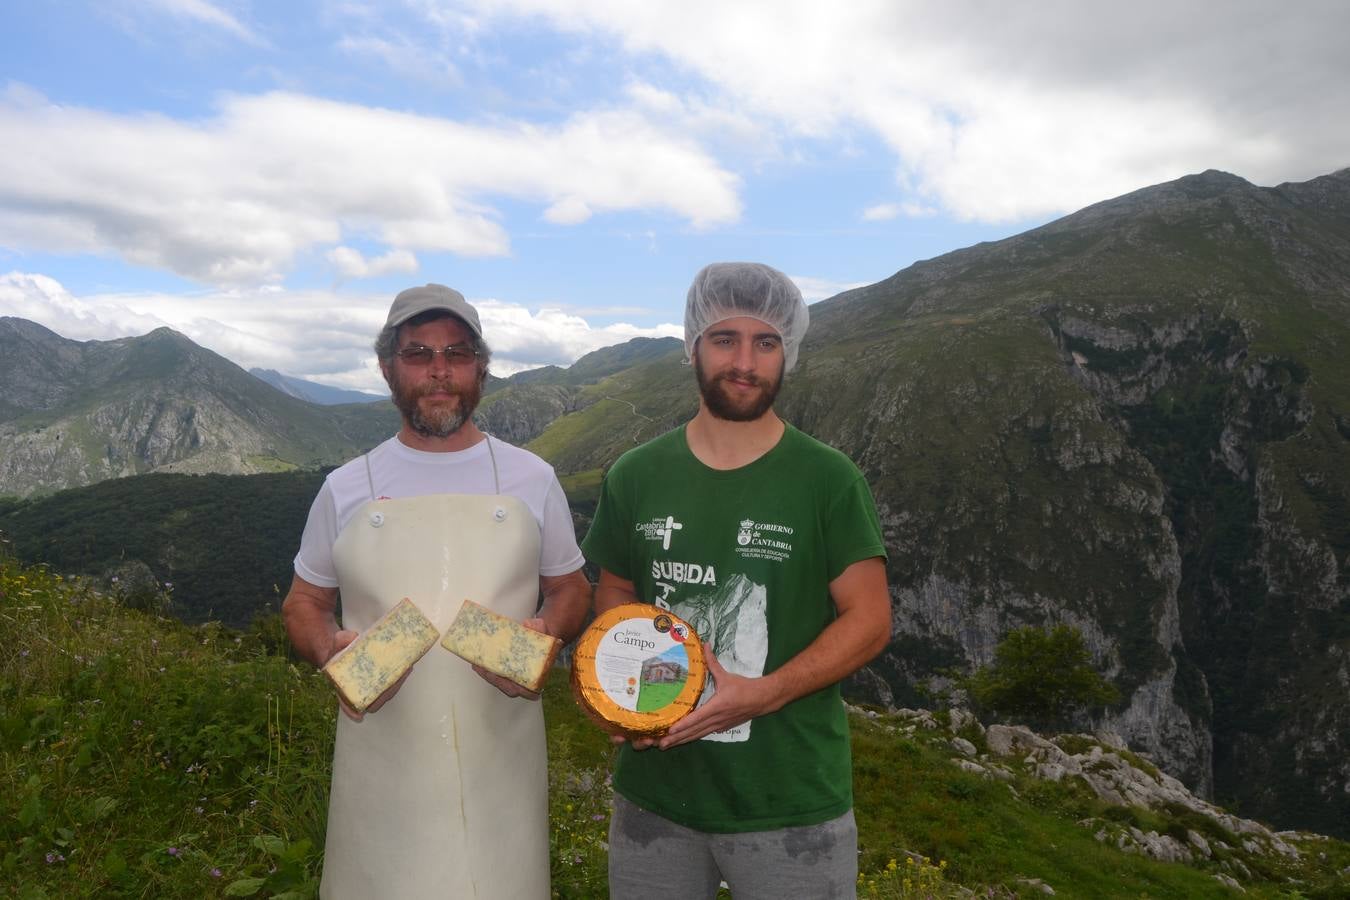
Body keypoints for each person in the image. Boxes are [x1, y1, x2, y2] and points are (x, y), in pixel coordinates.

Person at [581, 262, 891, 899]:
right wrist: (617, 687)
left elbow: (869, 620)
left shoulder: (827, 479)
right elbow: (613, 590)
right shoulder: (636, 474)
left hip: (791, 804)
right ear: (693, 345)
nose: (745, 361)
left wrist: (768, 692)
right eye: (725, 338)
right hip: (654, 799)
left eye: (766, 342)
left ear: (788, 355)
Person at [282, 284, 590, 899]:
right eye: (419, 353)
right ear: (388, 367)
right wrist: (333, 651)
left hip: (501, 760)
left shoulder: (532, 478)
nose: (440, 371)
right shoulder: (347, 487)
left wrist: (544, 636)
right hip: (381, 762)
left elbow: (571, 590)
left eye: (457, 353)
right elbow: (303, 604)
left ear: (481, 366)